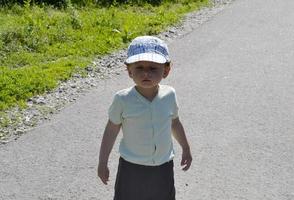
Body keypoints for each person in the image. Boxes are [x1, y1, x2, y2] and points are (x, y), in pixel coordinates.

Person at [97, 35, 192, 200]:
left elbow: (174, 122)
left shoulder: (169, 95)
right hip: (132, 168)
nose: (146, 73)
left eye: (153, 68)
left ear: (166, 71)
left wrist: (186, 148)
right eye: (139, 67)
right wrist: (102, 162)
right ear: (129, 71)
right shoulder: (123, 99)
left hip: (163, 166)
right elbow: (111, 130)